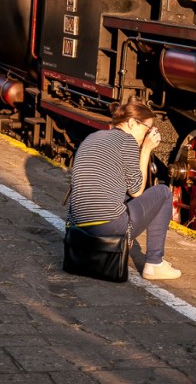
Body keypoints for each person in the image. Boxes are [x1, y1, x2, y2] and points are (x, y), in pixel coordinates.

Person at [68, 100, 181, 280]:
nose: (147, 136)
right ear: (131, 123)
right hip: (108, 227)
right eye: (147, 129)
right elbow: (136, 191)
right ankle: (155, 263)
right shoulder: (127, 141)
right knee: (163, 192)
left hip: (77, 227)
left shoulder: (92, 137)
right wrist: (145, 150)